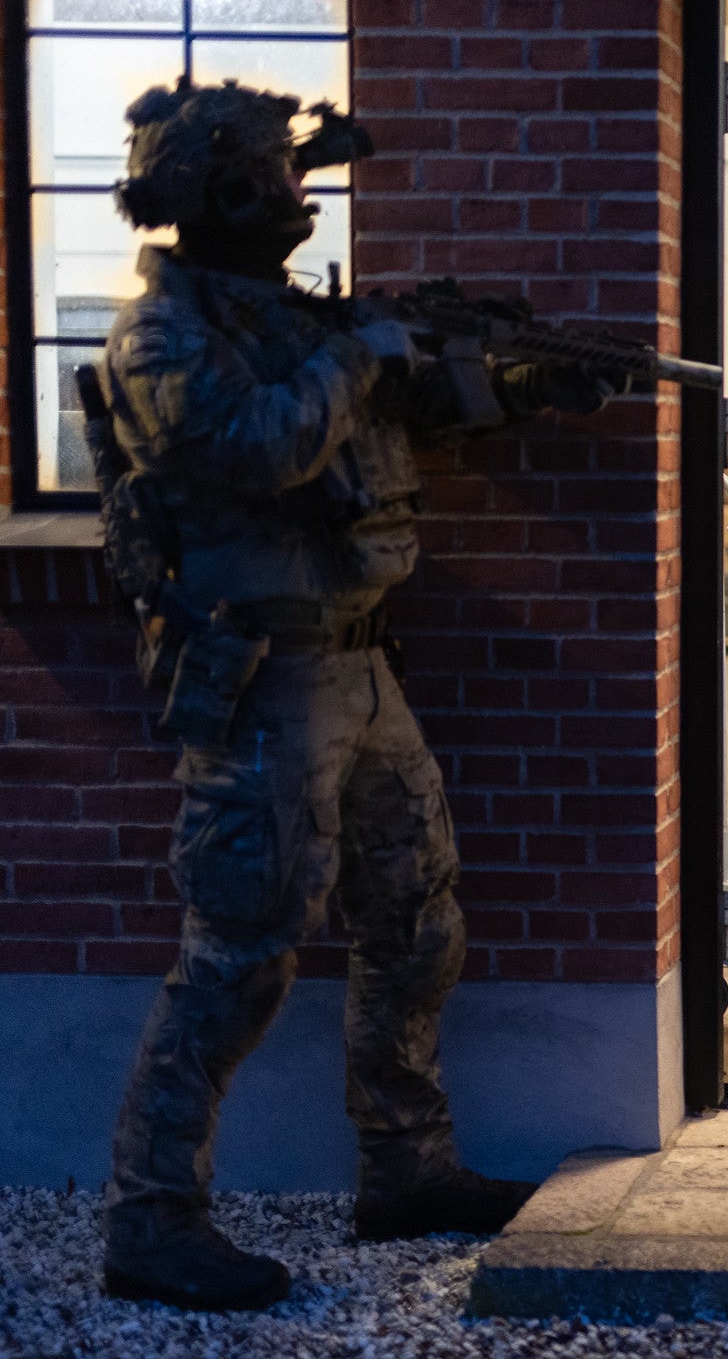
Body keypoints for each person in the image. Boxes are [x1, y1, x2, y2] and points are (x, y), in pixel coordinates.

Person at [96, 79, 613, 1311]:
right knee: (242, 956)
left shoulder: (286, 320)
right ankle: (150, 1220)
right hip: (263, 675)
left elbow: (406, 415)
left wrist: (523, 381)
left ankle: (406, 1166)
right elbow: (251, 448)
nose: (298, 191)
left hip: (362, 666)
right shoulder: (161, 333)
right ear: (212, 189)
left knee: (415, 921)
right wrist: (357, 354)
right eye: (276, 174)